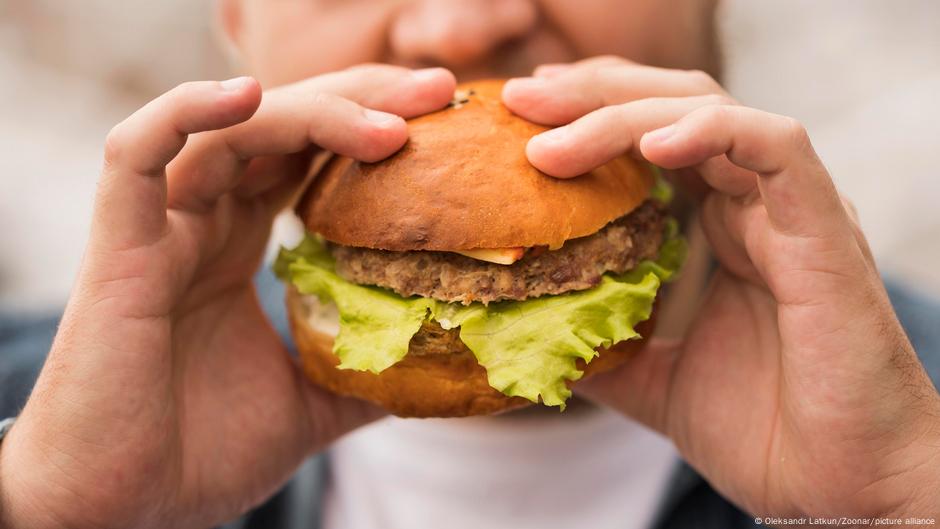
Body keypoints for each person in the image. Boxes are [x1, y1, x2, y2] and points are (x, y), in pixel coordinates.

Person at [1, 1, 939, 527]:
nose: (459, 29)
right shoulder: (32, 435)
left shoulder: (915, 440)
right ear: (235, 22)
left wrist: (897, 500)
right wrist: (52, 515)